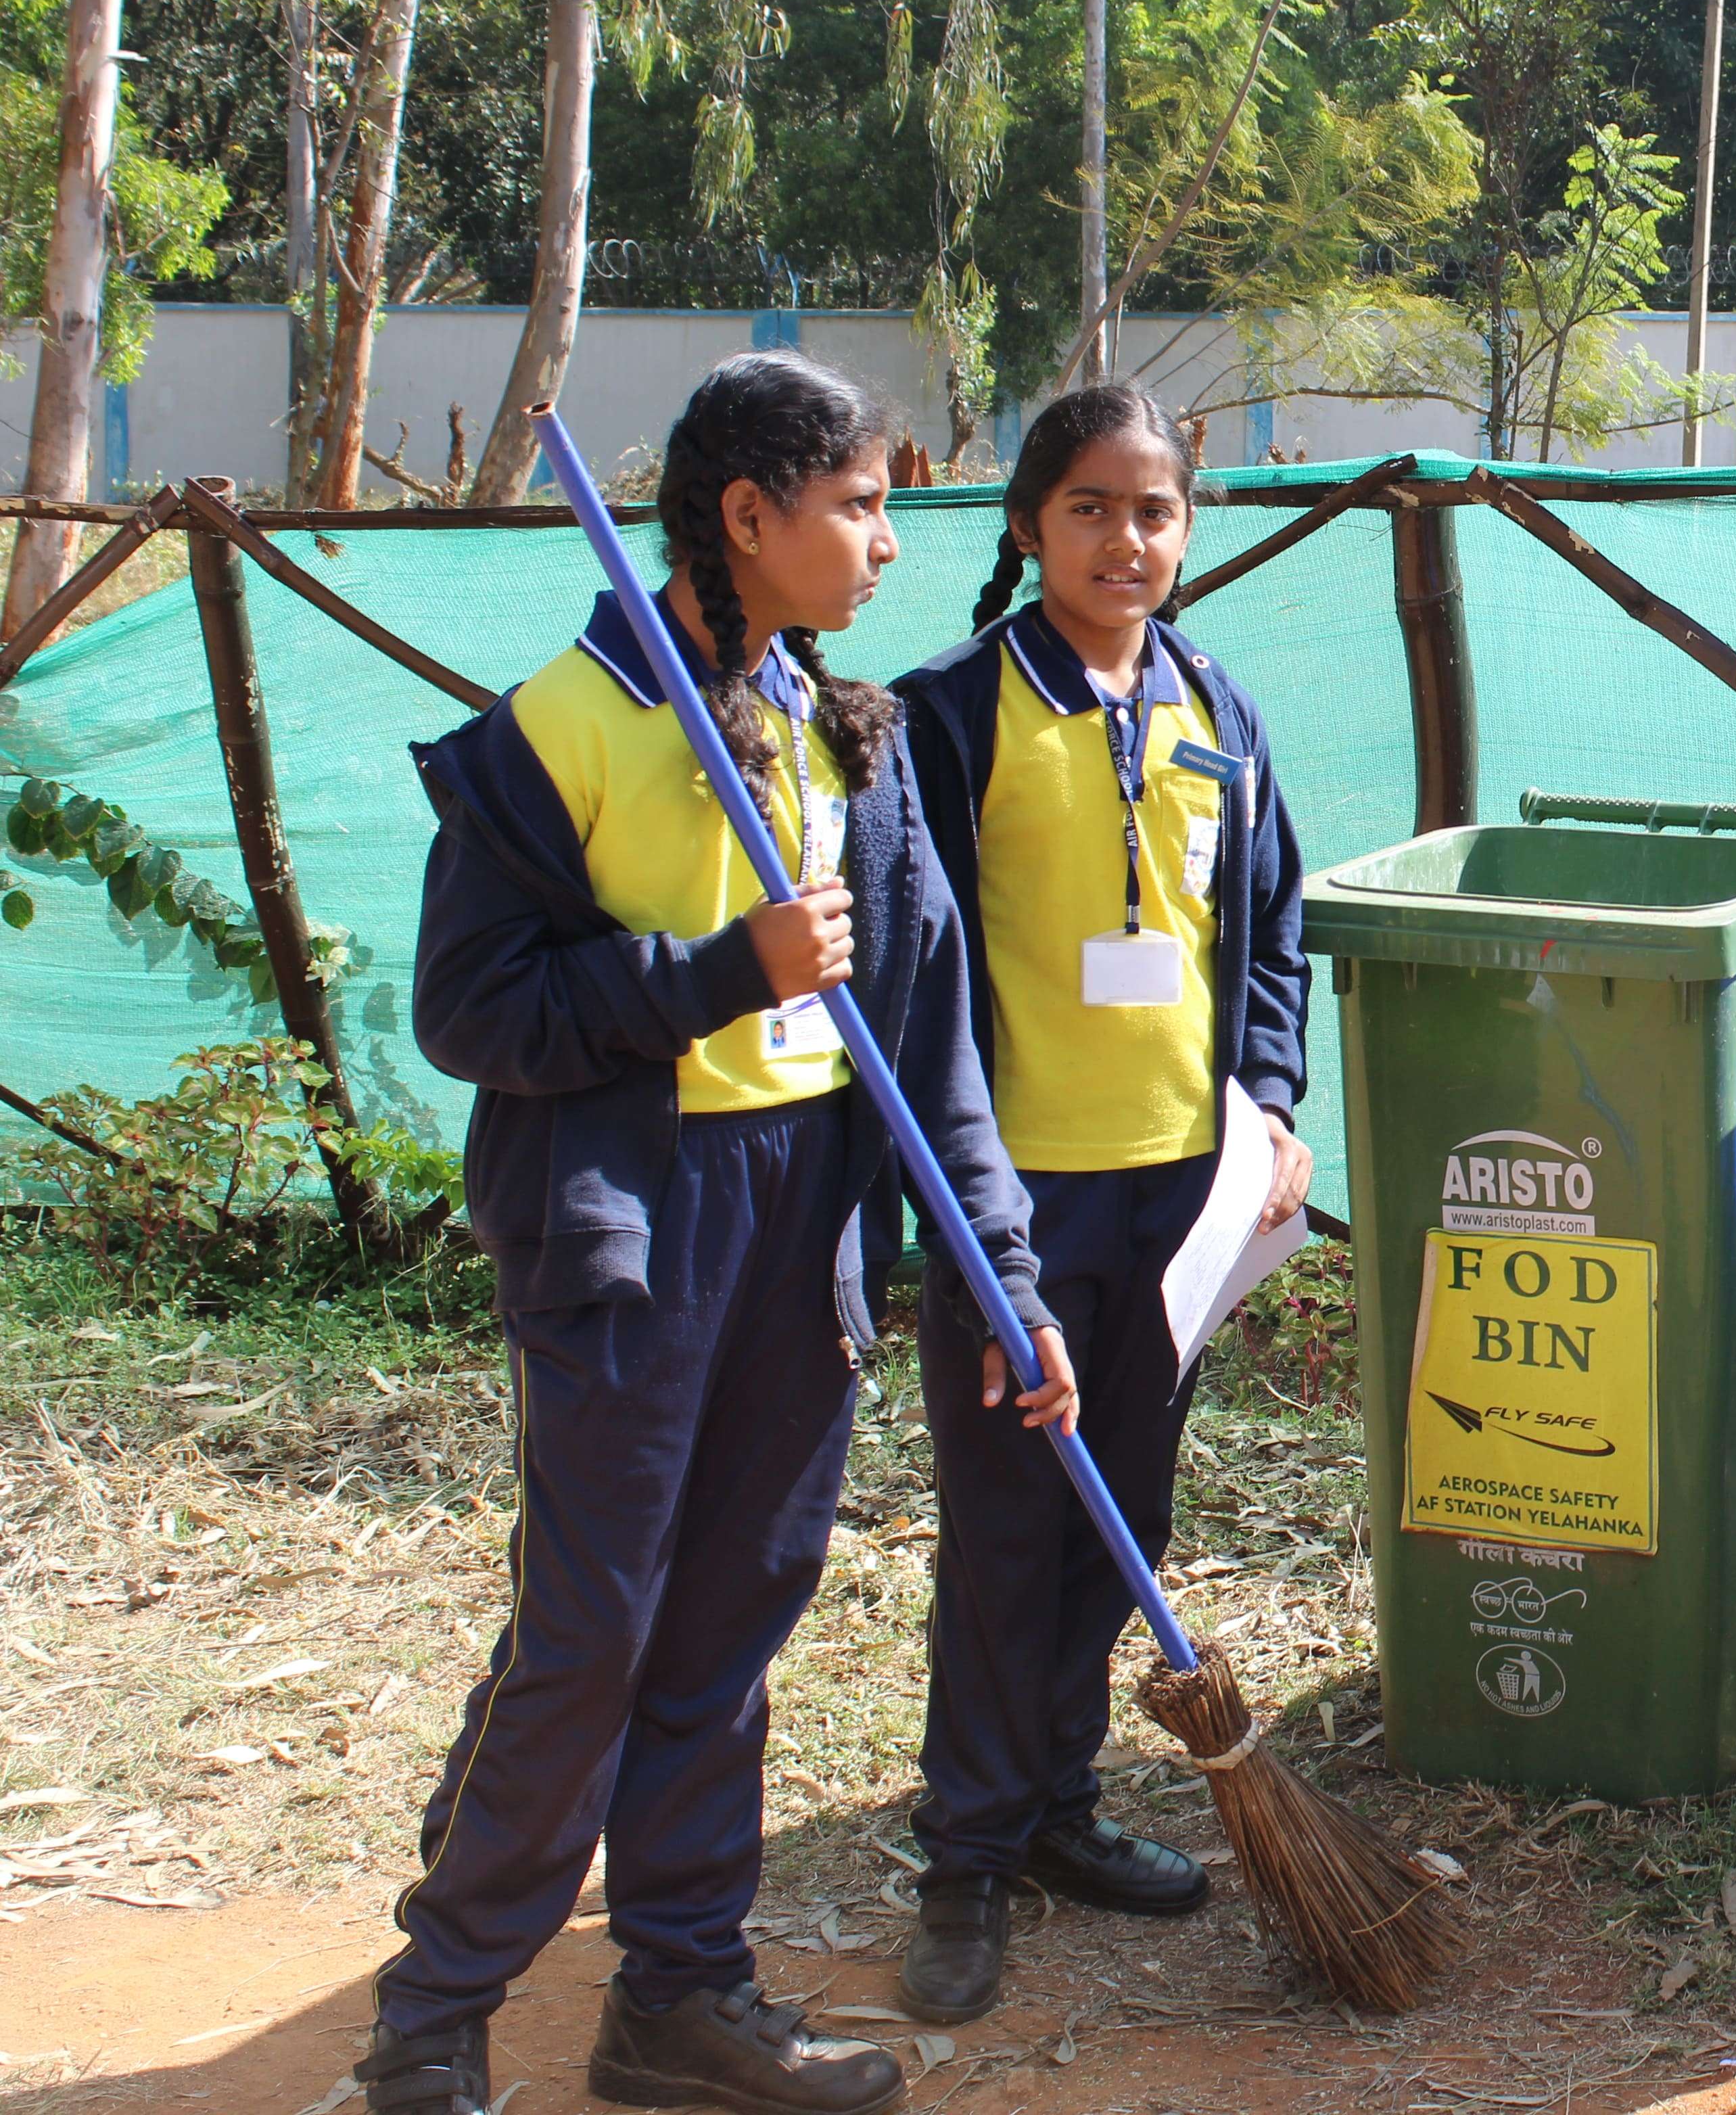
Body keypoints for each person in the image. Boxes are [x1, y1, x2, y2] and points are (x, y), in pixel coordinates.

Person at [360, 351, 1073, 2115]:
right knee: (596, 1633)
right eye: (860, 505)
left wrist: (1002, 1267)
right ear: (748, 516)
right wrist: (711, 978)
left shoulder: (856, 736)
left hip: (801, 1234)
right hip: (631, 1235)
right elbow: (471, 1011)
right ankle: (434, 2018)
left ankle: (678, 1997)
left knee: (733, 1624)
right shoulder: (569, 728)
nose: (891, 546)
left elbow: (928, 1036)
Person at [889, 384, 1315, 2024]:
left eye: (1154, 511)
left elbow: (1265, 938)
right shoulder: (952, 713)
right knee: (1007, 1529)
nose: (1124, 540)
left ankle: (1058, 1808)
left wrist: (1268, 1104)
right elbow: (920, 984)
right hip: (1020, 1203)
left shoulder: (1224, 709)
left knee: (1121, 1516)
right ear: (1027, 524)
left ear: (1187, 529)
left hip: (1179, 1207)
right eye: (1089, 507)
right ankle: (967, 1857)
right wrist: (971, 1209)